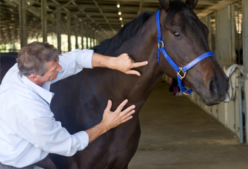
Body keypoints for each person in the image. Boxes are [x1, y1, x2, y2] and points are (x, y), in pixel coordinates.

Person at [0, 42, 148, 169]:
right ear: (34, 77)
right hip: (14, 165)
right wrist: (106, 125)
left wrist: (113, 62)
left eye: (57, 63)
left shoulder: (19, 70)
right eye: (54, 70)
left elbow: (75, 58)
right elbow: (68, 145)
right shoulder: (32, 113)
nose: (60, 68)